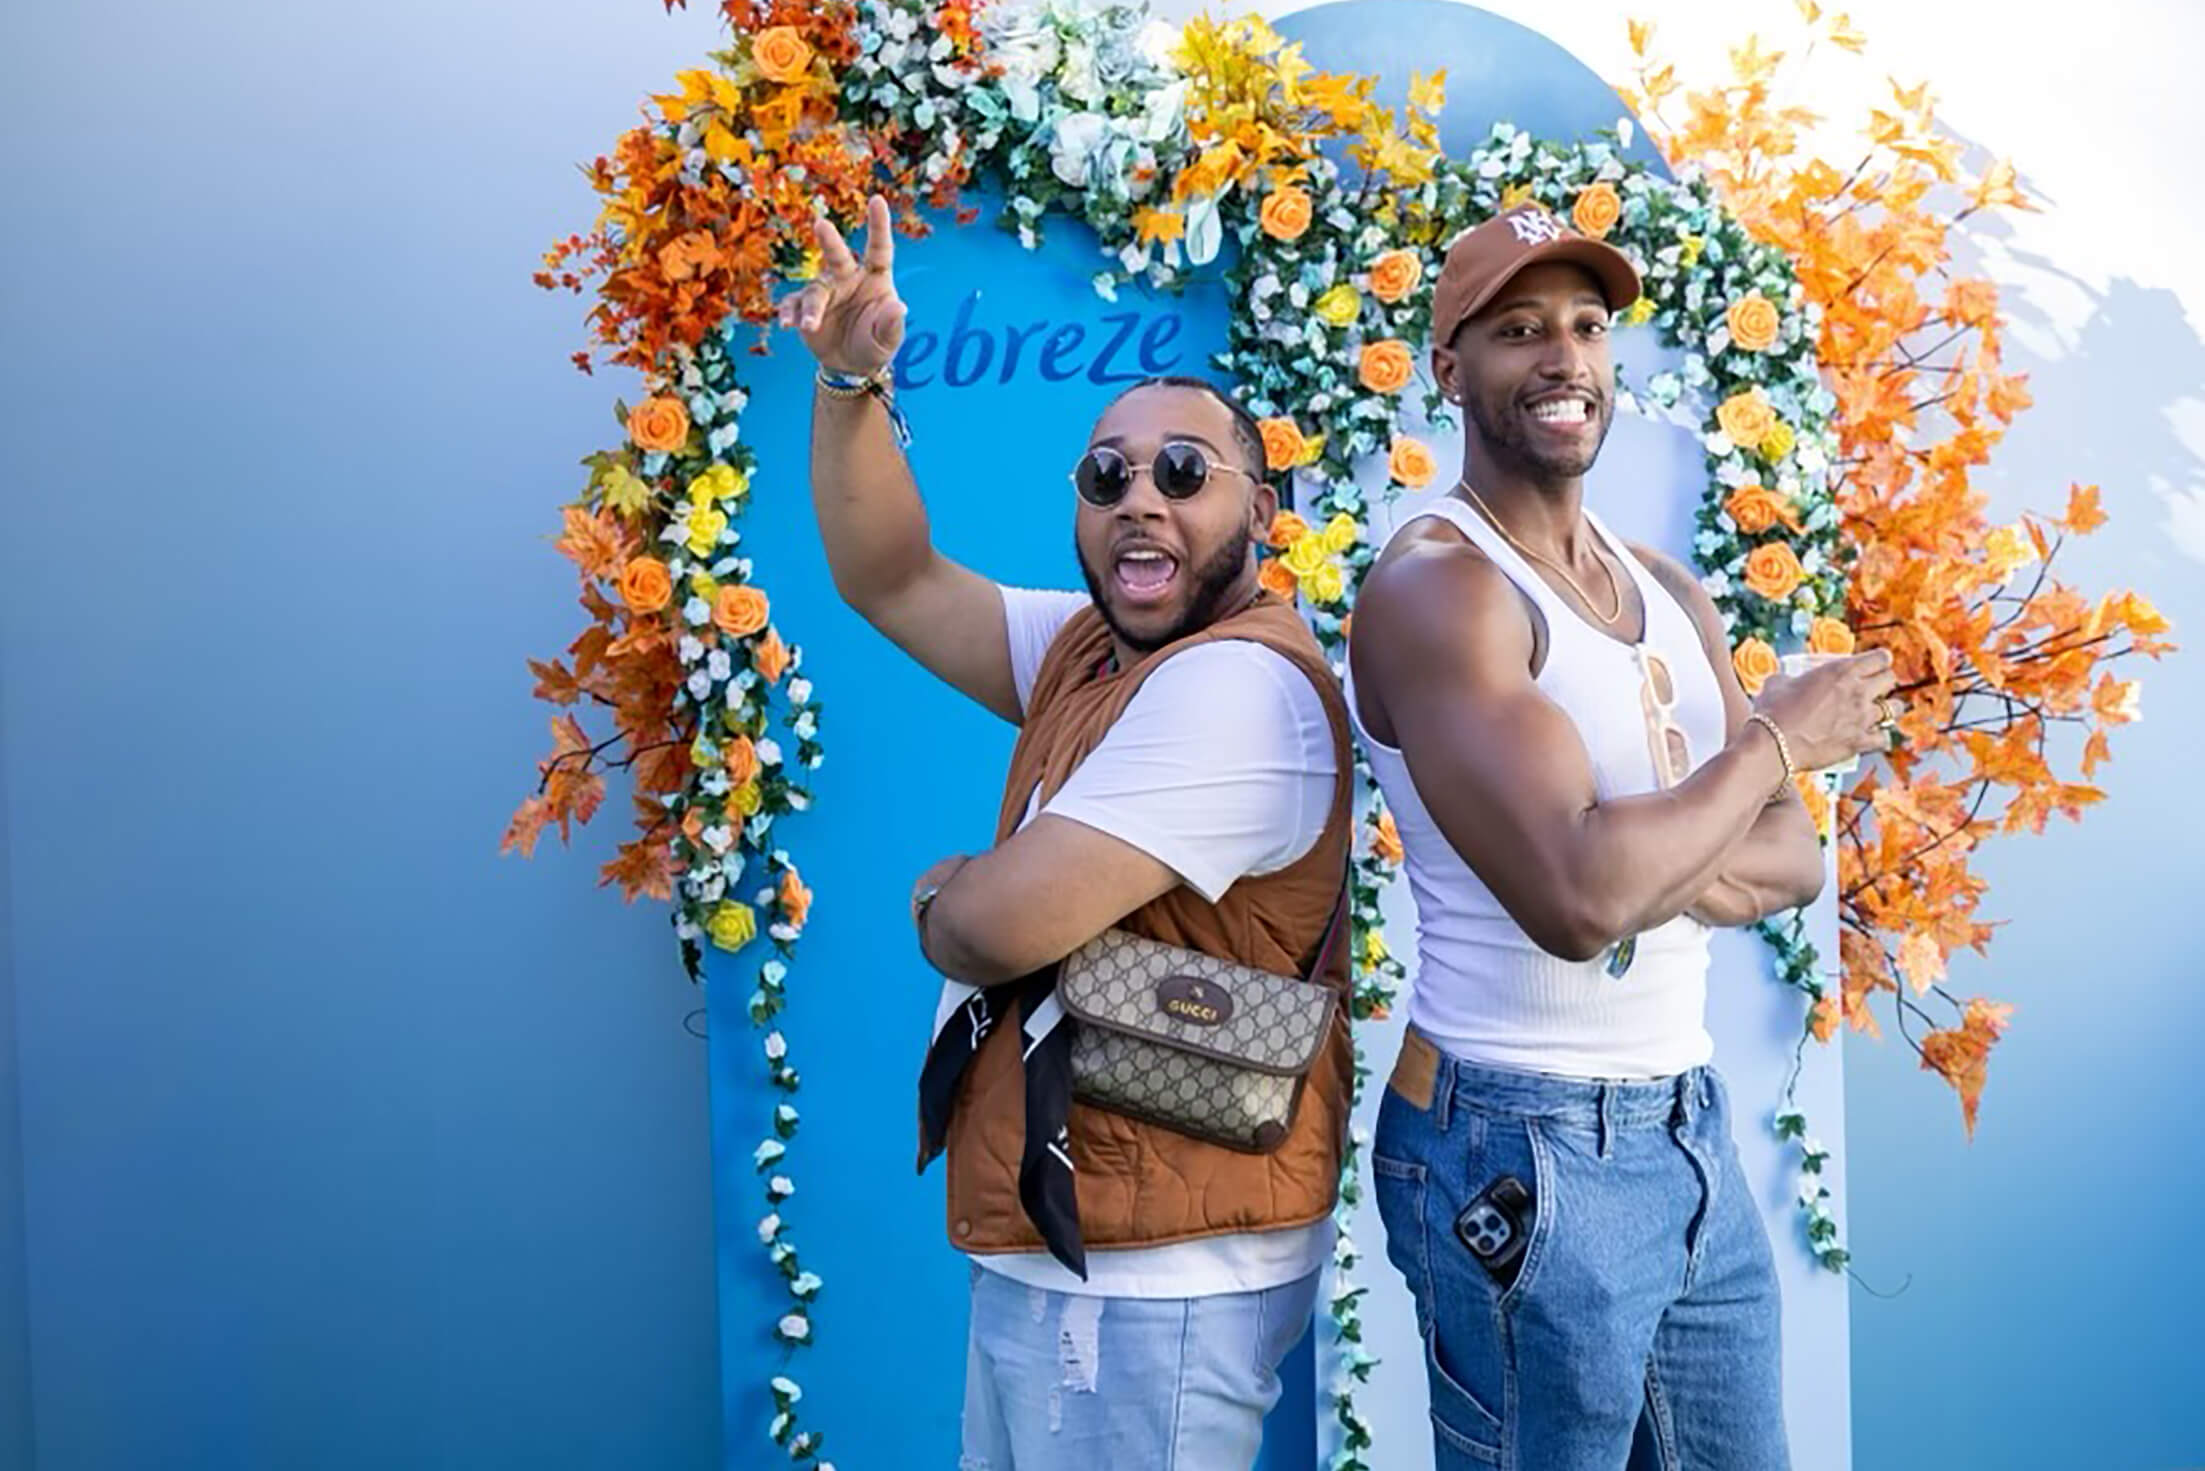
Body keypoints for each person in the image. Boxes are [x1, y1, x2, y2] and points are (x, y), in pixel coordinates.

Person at [776, 195, 1356, 1471]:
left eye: (1185, 473)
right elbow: (895, 578)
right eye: (1110, 475)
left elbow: (996, 927)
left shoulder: (1239, 689)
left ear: (1263, 511)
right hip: (1092, 1225)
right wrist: (849, 386)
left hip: (1154, 1272)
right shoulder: (1097, 647)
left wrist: (944, 901)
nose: (1141, 498)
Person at [1346, 204, 1900, 1471]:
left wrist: (1649, 848)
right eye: (1519, 330)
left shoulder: (1667, 590)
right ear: (1450, 368)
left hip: (1685, 1125)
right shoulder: (1443, 586)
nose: (1565, 358)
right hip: (1514, 1137)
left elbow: (1794, 863)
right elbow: (1579, 897)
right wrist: (1771, 747)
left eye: (1589, 326)